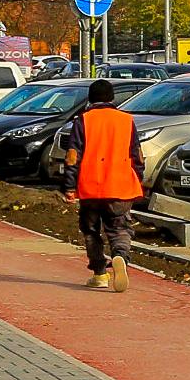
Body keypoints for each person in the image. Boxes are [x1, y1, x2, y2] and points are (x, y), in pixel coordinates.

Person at [54, 82, 144, 292]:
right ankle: (120, 255)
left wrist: (69, 187)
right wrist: (136, 179)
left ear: (91, 99)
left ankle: (100, 273)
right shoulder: (126, 120)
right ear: (113, 98)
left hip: (91, 187)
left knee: (91, 231)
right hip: (120, 186)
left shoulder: (83, 120)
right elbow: (137, 155)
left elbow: (72, 157)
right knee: (119, 228)